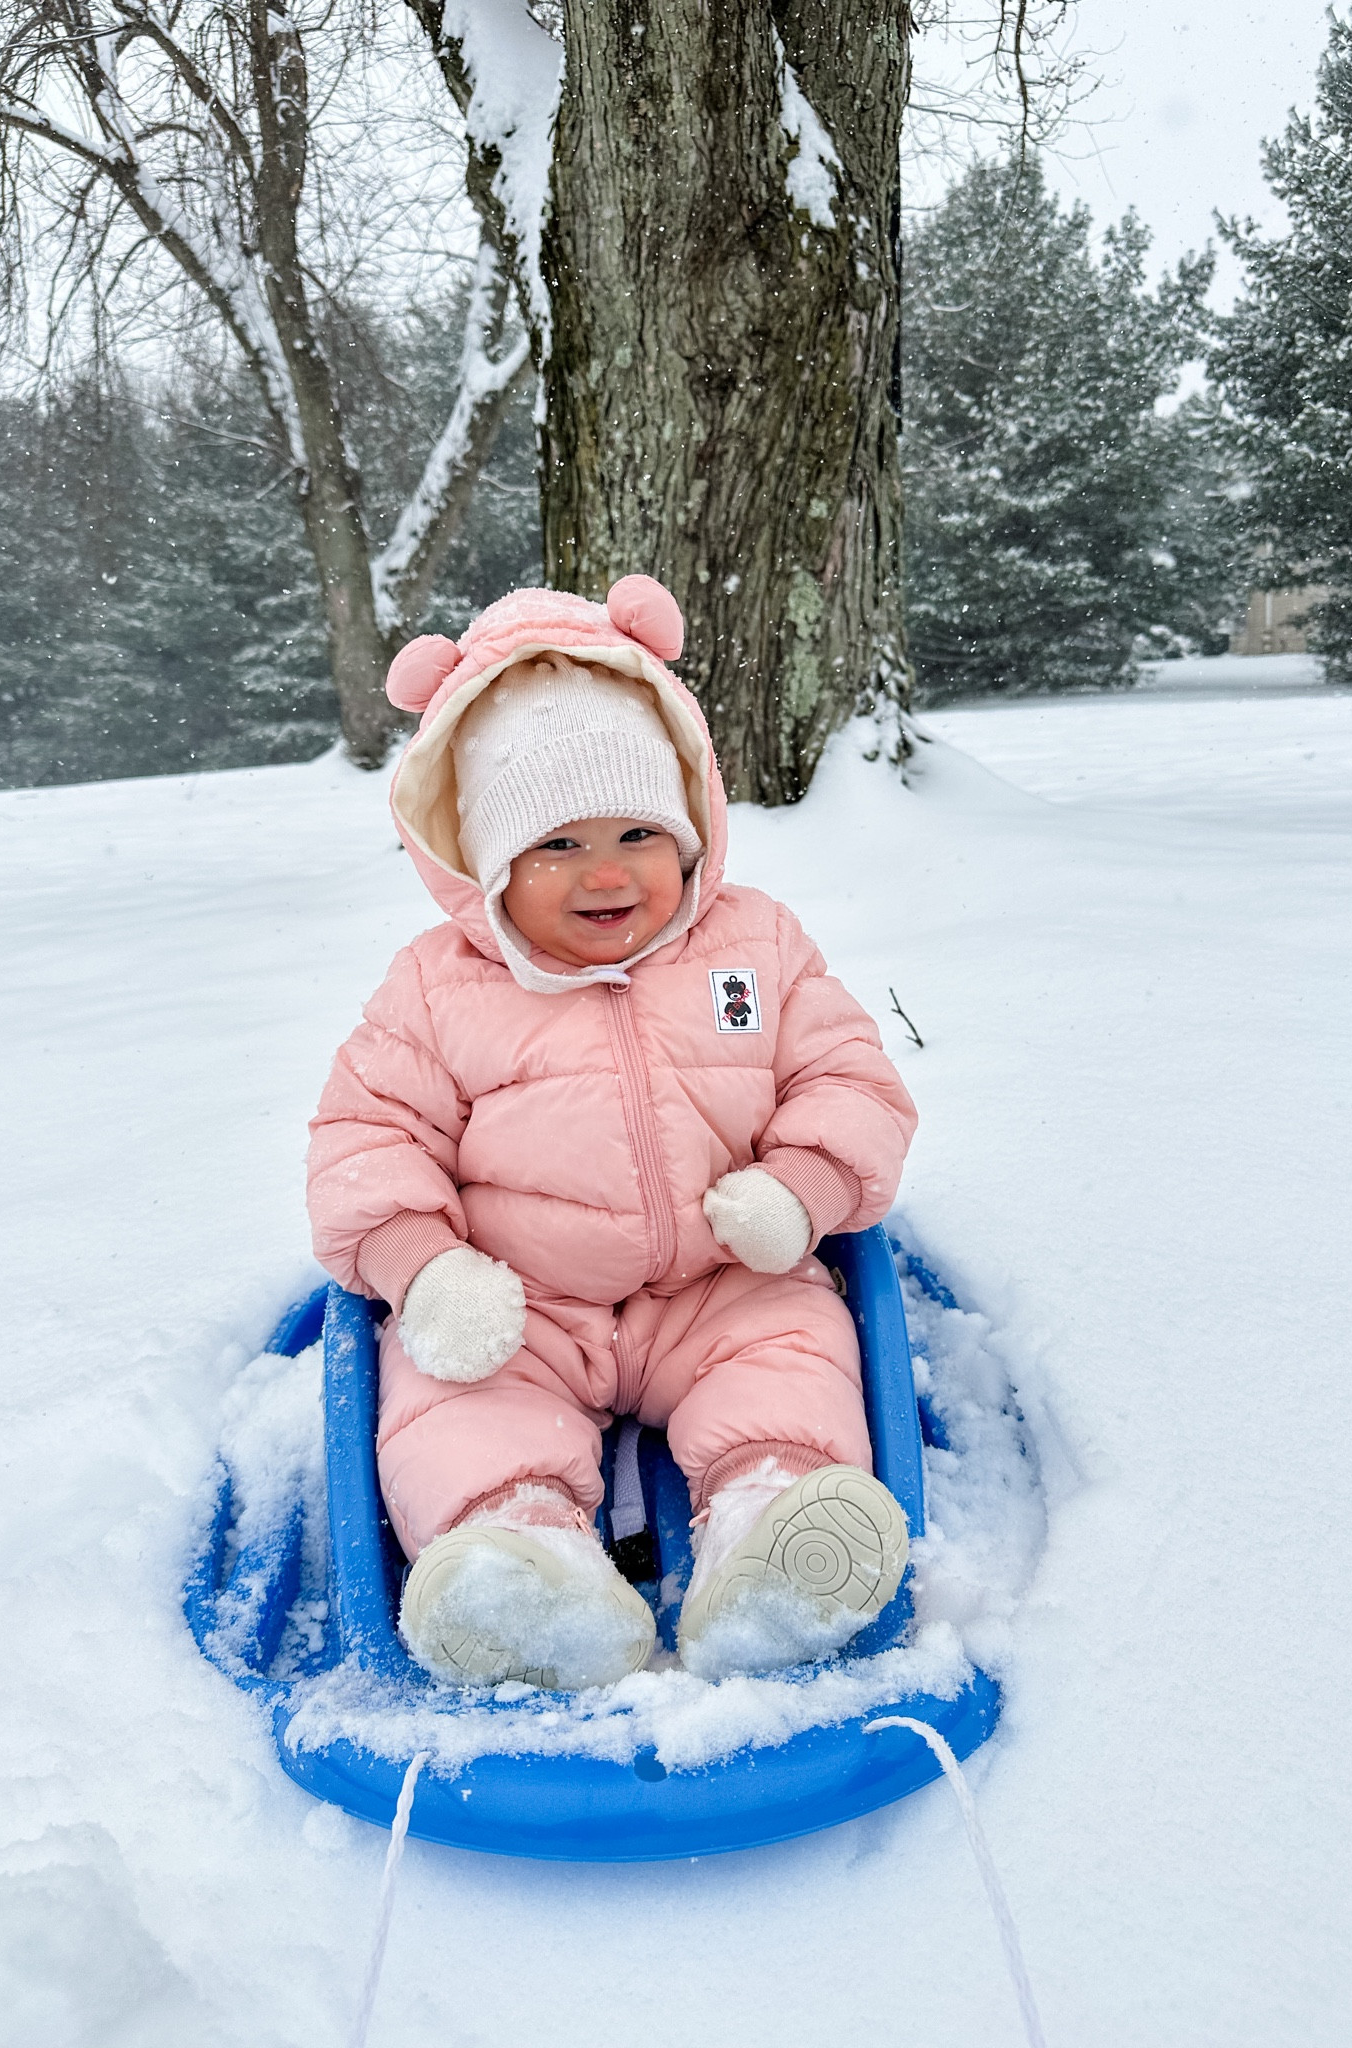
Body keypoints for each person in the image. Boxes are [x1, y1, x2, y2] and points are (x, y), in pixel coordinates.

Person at [307, 577, 917, 1691]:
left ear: (690, 829)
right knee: (456, 1395)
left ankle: (775, 1522)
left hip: (724, 1280)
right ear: (487, 868)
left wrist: (805, 1186)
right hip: (525, 1303)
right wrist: (426, 1269)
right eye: (557, 843)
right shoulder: (438, 991)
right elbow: (366, 1138)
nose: (607, 870)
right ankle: (519, 1554)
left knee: (789, 1350)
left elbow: (849, 1075)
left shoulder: (754, 948)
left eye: (640, 830)